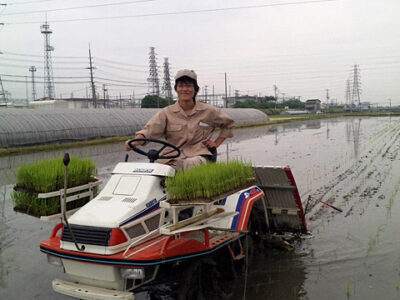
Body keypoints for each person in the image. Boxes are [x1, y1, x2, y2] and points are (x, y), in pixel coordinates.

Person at [125, 69, 234, 170]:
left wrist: (216, 143)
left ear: (195, 89)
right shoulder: (166, 113)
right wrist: (135, 141)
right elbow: (149, 130)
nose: (184, 89)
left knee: (191, 163)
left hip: (199, 155)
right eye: (181, 86)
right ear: (176, 89)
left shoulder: (209, 111)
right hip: (171, 156)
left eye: (188, 86)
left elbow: (228, 124)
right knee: (154, 171)